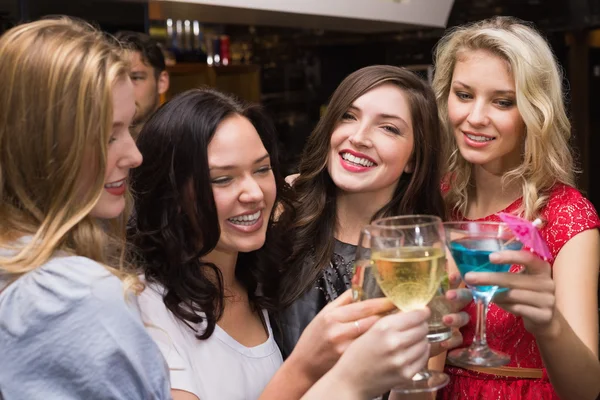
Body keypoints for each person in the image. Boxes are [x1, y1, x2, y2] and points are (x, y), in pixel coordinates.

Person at [128, 87, 436, 400]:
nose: (255, 193)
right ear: (170, 193)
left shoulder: (259, 279)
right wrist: (310, 368)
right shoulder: (143, 310)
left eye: (262, 169)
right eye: (222, 179)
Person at [0, 17, 170, 399]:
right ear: (41, 146)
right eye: (107, 137)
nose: (134, 155)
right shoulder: (71, 297)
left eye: (128, 128)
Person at [432, 16, 600, 399]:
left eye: (502, 101)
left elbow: (587, 390)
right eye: (463, 94)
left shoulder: (565, 216)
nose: (475, 117)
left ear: (533, 111)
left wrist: (549, 324)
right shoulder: (436, 201)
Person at [275, 65, 470, 363]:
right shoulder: (280, 216)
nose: (359, 137)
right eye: (348, 116)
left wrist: (421, 357)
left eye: (389, 128)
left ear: (414, 159)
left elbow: (418, 392)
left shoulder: (428, 259)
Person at [115, 30, 169, 137]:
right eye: (117, 79)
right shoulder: (93, 147)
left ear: (162, 82)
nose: (125, 89)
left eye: (136, 78)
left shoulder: (179, 146)